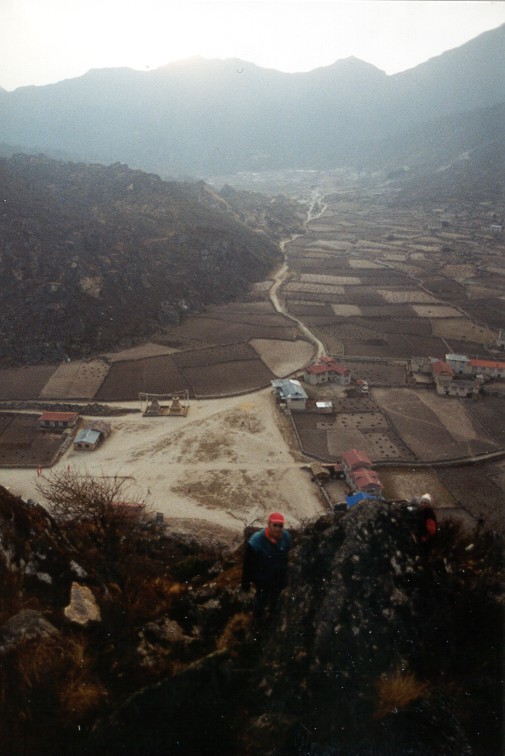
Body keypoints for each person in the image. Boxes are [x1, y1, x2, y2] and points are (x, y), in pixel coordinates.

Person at [241, 512, 292, 628]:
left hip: (278, 576)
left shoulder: (286, 537)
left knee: (275, 601)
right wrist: (245, 586)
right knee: (261, 600)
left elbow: (288, 554)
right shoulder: (256, 541)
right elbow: (247, 564)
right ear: (269, 524)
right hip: (261, 576)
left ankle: (271, 621)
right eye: (275, 525)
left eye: (280, 526)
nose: (278, 528)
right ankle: (256, 624)